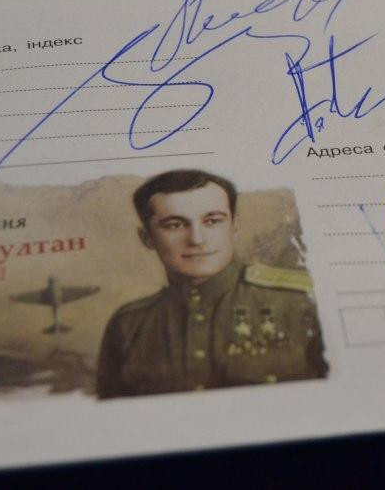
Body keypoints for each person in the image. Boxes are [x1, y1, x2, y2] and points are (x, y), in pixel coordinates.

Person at [96, 169, 327, 399]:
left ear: (234, 227)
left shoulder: (299, 301)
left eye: (212, 221)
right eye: (175, 225)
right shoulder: (128, 325)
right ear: (146, 237)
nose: (197, 239)